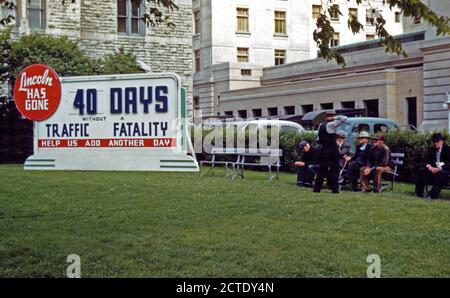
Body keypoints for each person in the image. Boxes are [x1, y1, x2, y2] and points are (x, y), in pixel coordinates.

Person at [313, 111, 348, 193]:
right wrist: (335, 118)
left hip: (324, 149)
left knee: (322, 170)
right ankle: (334, 189)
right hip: (332, 150)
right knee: (335, 169)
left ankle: (317, 189)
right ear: (331, 117)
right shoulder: (331, 125)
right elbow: (344, 118)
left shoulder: (321, 125)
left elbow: (318, 138)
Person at [415, 133, 450, 199]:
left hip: (443, 172)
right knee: (421, 170)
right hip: (432, 171)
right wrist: (429, 167)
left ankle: (432, 195)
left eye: (437, 141)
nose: (435, 143)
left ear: (442, 142)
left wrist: (440, 168)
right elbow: (426, 160)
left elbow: (449, 163)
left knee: (441, 174)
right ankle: (419, 193)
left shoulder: (448, 150)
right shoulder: (431, 150)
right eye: (434, 142)